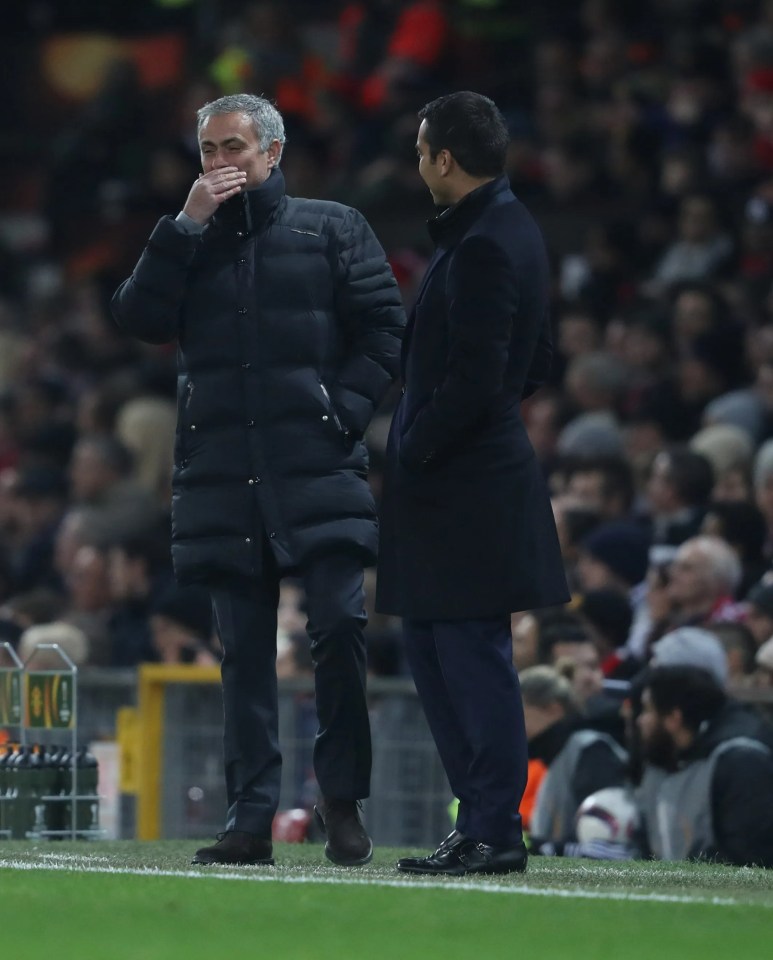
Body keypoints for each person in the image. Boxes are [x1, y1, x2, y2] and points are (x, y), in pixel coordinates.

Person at [111, 93, 405, 867]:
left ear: (272, 153)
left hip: (316, 464)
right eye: (207, 149)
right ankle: (251, 818)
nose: (218, 163)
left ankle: (340, 804)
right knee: (241, 652)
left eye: (233, 146)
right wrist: (180, 229)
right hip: (221, 476)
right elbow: (136, 318)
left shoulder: (332, 226)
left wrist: (338, 413)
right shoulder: (188, 237)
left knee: (339, 629)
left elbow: (384, 326)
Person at [376, 91, 569, 876]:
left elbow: (483, 376)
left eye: (421, 148)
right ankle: (478, 824)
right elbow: (540, 361)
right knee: (432, 648)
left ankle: (494, 827)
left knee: (467, 654)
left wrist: (415, 447)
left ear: (443, 159)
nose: (417, 160)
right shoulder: (502, 229)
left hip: (465, 489)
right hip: (459, 483)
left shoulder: (486, 241)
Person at [636, 665, 773, 867]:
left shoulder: (742, 761)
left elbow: (748, 857)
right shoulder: (672, 758)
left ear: (674, 718)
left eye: (648, 710)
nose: (640, 721)